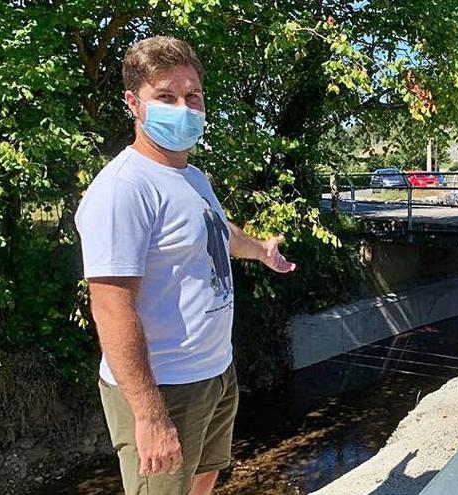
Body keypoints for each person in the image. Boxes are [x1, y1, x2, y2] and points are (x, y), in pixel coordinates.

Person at [75, 36, 296, 495]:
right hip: (165, 388)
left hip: (215, 371)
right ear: (133, 103)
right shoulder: (124, 188)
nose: (184, 106)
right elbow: (112, 308)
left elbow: (216, 232)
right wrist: (150, 414)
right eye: (166, 96)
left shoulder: (191, 176)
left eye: (192, 95)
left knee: (204, 480)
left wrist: (260, 250)